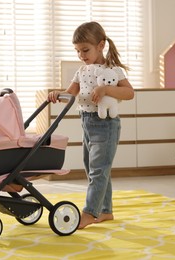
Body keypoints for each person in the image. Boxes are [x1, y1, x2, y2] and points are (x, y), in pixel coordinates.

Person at [48, 21, 134, 229]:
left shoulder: (113, 70)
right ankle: (106, 210)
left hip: (106, 124)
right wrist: (56, 94)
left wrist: (105, 89)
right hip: (87, 122)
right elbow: (71, 93)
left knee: (98, 170)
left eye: (85, 50)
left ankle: (89, 212)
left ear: (101, 45)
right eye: (77, 51)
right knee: (93, 168)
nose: (81, 55)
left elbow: (129, 93)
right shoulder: (82, 71)